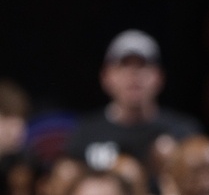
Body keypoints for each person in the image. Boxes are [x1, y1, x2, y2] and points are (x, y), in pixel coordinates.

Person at [65, 31, 201, 171]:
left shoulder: (184, 133)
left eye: (142, 65)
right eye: (124, 65)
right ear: (106, 77)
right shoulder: (86, 134)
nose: (133, 74)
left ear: (159, 77)